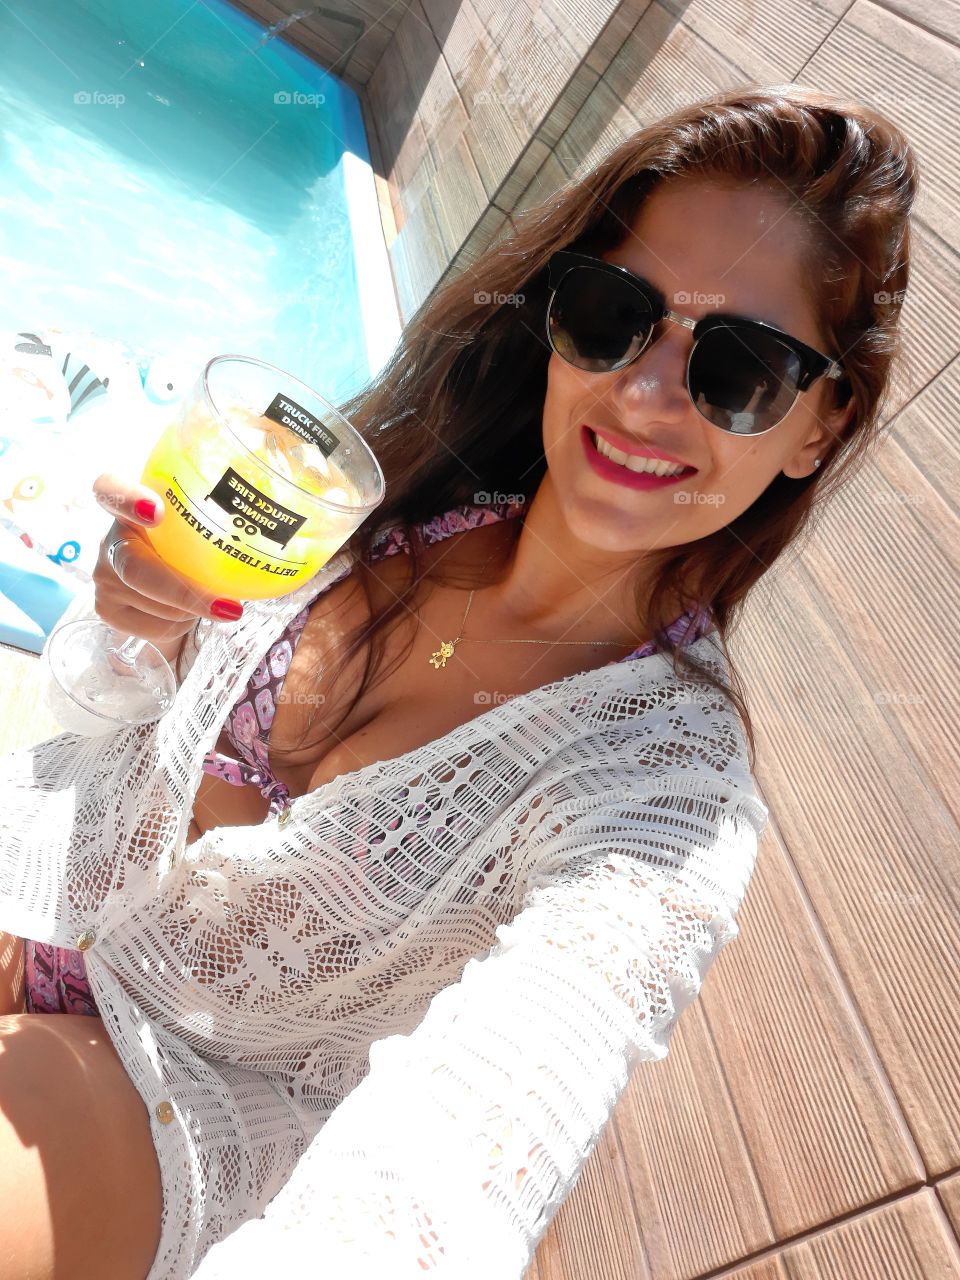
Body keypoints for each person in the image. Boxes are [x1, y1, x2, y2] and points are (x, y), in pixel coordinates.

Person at [0, 82, 917, 1279]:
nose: (644, 390)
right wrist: (137, 618)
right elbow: (107, 710)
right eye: (614, 313)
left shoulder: (663, 810)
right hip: (42, 888)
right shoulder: (374, 496)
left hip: (183, 1101)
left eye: (740, 370)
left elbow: (460, 1165)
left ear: (816, 428)